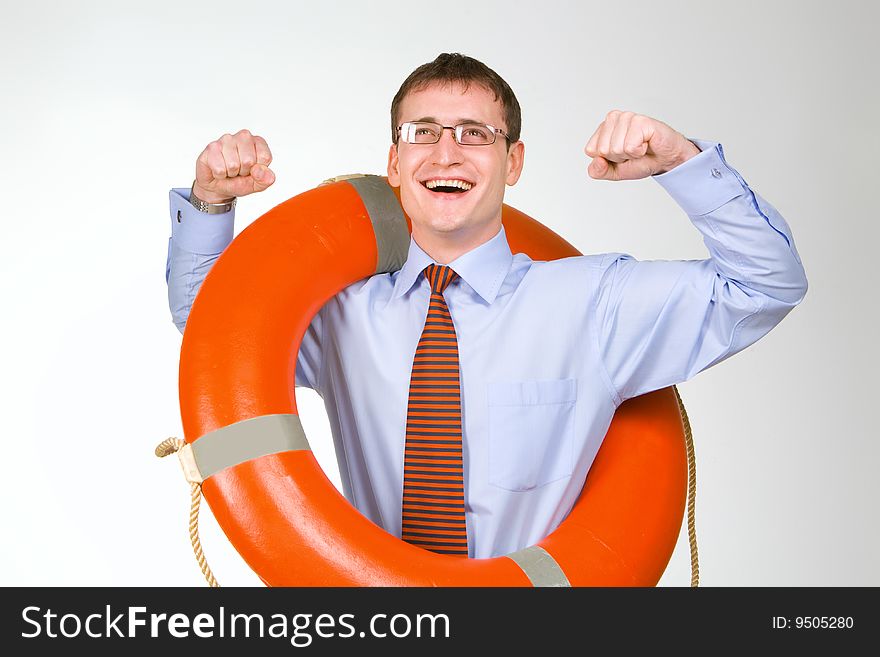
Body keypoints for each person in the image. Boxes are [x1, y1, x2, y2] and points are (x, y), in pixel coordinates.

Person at [166, 53, 807, 559]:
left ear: (514, 161)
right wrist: (209, 205)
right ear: (394, 161)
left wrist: (682, 163)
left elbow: (765, 284)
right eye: (423, 134)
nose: (447, 153)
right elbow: (213, 333)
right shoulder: (342, 316)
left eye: (475, 134)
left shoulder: (593, 303)